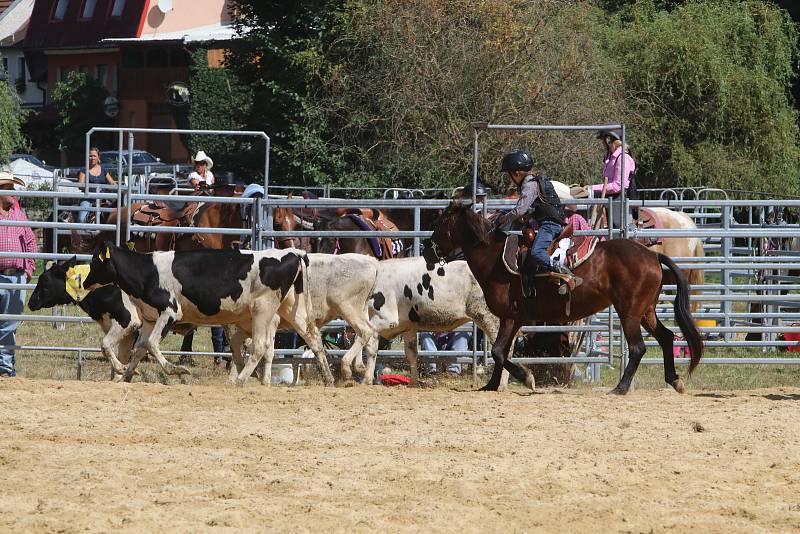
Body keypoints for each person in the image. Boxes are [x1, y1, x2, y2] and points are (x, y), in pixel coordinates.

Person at [492, 149, 580, 293]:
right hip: (550, 221)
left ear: (517, 173)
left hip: (550, 224)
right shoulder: (537, 180)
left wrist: (503, 219)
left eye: (510, 174)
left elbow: (520, 209)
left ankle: (561, 269)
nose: (511, 179)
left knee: (536, 253)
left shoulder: (529, 184)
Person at [0, 172, 38, 377]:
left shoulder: (18, 214)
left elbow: (31, 242)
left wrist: (28, 269)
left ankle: (5, 368)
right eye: (9, 189)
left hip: (15, 276)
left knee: (9, 324)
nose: (13, 193)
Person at [77, 147, 116, 224]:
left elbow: (112, 182)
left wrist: (118, 186)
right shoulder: (83, 170)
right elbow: (80, 185)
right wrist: (91, 188)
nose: (92, 158)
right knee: (81, 218)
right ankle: (81, 233)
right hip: (88, 198)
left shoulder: (103, 170)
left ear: (98, 157)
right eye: (90, 156)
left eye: (94, 156)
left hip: (103, 198)